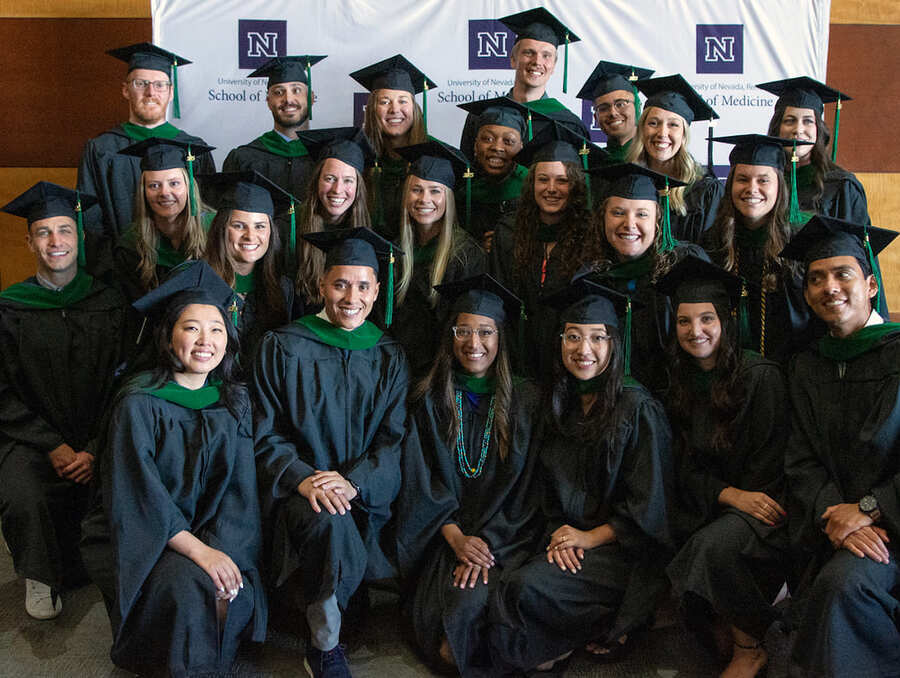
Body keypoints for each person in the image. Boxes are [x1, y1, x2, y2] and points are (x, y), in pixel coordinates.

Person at [80, 261, 266, 676]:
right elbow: (136, 496)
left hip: (211, 535)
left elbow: (240, 495)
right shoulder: (138, 403)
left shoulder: (232, 403)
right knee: (191, 591)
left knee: (231, 592)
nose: (206, 341)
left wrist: (221, 550)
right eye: (191, 328)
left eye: (216, 329)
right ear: (168, 336)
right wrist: (199, 552)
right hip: (149, 539)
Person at [488, 275, 674, 673]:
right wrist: (562, 536)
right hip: (566, 539)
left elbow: (649, 510)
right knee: (504, 579)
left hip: (622, 552)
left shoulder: (638, 408)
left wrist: (587, 538)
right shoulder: (561, 403)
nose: (583, 350)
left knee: (523, 588)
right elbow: (550, 489)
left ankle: (609, 623)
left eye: (597, 338)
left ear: (613, 343)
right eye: (573, 337)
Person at [253, 228, 409, 678]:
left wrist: (353, 482)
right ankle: (324, 645)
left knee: (341, 522)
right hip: (299, 496)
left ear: (378, 291)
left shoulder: (389, 356)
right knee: (328, 520)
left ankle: (331, 611)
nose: (351, 297)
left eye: (363, 286)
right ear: (321, 284)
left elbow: (393, 439)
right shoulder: (283, 345)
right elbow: (265, 430)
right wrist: (302, 477)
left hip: (362, 495)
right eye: (340, 284)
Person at [395, 274, 541, 675]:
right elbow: (417, 477)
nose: (473, 344)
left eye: (485, 332)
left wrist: (486, 545)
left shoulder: (526, 400)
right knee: (439, 639)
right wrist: (456, 536)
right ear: (449, 334)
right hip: (441, 536)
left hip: (505, 543)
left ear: (501, 337)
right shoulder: (427, 397)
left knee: (460, 634)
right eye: (463, 330)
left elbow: (528, 491)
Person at [0, 183, 129, 620]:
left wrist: (94, 445)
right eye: (43, 232)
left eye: (64, 231)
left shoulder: (108, 303)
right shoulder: (9, 309)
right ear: (29, 241)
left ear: (79, 237)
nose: (56, 242)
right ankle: (40, 574)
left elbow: (125, 382)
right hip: (32, 438)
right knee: (20, 490)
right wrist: (51, 444)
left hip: (99, 434)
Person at [778, 216, 900, 678]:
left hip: (892, 526)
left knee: (843, 588)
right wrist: (835, 514)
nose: (829, 287)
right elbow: (801, 458)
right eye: (816, 278)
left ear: (870, 285)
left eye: (842, 274)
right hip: (834, 526)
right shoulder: (808, 366)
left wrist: (869, 508)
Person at [658, 255, 790, 678]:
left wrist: (734, 497)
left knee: (713, 544)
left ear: (726, 320)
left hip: (766, 504)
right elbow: (677, 463)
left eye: (706, 319)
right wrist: (724, 493)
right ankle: (716, 617)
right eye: (683, 321)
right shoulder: (677, 381)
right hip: (713, 497)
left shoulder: (760, 377)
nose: (694, 332)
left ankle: (750, 645)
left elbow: (769, 471)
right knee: (658, 526)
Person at [490, 120, 605, 378]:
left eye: (562, 181)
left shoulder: (592, 235)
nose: (551, 189)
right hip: (518, 354)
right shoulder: (508, 231)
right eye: (543, 179)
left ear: (575, 185)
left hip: (572, 358)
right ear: (532, 184)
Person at [77, 42, 215, 243]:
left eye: (159, 85)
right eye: (140, 83)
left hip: (185, 264)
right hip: (119, 267)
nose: (150, 92)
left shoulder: (194, 149)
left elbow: (207, 216)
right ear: (125, 90)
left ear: (170, 93)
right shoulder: (101, 149)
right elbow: (91, 221)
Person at [588, 162, 707, 394]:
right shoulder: (593, 276)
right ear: (602, 218)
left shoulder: (685, 265)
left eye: (642, 214)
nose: (629, 224)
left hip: (681, 399)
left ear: (657, 220)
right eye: (618, 212)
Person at [704, 134, 816, 363]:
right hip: (728, 370)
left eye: (763, 180)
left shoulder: (802, 242)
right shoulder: (713, 242)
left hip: (791, 368)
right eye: (742, 179)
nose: (751, 189)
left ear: (779, 187)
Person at [390, 138, 486, 376]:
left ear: (449, 199)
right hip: (396, 369)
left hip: (443, 372)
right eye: (416, 190)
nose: (424, 200)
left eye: (435, 191)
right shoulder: (393, 253)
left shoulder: (466, 255)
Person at [201, 170, 302, 363]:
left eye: (260, 226)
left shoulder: (282, 289)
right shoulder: (197, 281)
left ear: (271, 233)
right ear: (222, 228)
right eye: (239, 226)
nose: (250, 235)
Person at [458, 7, 580, 161]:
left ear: (554, 66)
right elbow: (467, 172)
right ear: (513, 59)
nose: (537, 62)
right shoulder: (481, 114)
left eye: (546, 55)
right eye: (529, 52)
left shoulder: (568, 125)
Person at [758, 76, 870, 226]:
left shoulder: (841, 186)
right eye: (789, 121)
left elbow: (852, 245)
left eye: (808, 121)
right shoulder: (763, 182)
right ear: (777, 128)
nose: (798, 130)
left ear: (819, 130)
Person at [113, 137, 214, 301]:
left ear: (189, 187)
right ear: (143, 192)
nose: (164, 193)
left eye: (174, 183)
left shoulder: (216, 229)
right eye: (154, 185)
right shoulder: (131, 244)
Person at [628, 74, 723, 244]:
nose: (662, 133)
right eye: (653, 123)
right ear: (642, 129)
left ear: (684, 135)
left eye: (673, 125)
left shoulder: (704, 190)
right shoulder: (627, 181)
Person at [351, 55, 434, 240]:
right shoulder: (357, 157)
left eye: (403, 101)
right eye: (385, 101)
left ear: (415, 108)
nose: (394, 109)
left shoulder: (435, 155)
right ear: (372, 109)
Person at [223, 55, 326, 203]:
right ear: (268, 101)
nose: (288, 99)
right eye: (278, 92)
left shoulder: (327, 156)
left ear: (311, 98)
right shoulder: (243, 158)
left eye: (296, 90)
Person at [292, 127, 376, 309]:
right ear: (317, 181)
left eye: (348, 180)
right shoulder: (289, 228)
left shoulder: (371, 233)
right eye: (329, 178)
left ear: (358, 186)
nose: (337, 190)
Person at [455, 96, 542, 252]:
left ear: (521, 147)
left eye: (508, 141)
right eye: (487, 138)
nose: (497, 147)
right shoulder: (462, 190)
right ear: (475, 145)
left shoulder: (534, 188)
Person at [576, 60, 654, 164]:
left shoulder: (656, 159)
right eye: (603, 108)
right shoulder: (590, 163)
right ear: (596, 118)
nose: (613, 113)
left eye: (621, 104)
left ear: (637, 108)